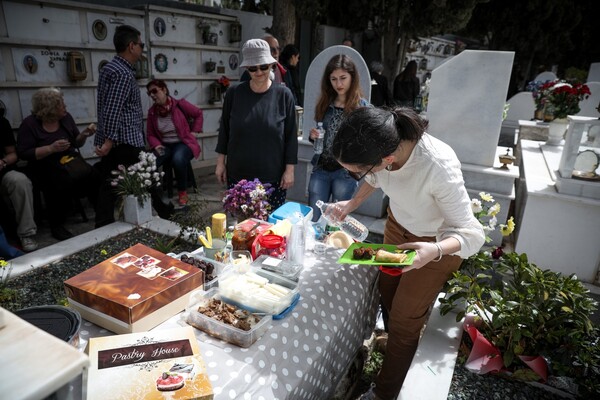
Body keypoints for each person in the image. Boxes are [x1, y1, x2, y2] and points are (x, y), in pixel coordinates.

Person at [329, 107, 485, 400]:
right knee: (387, 292)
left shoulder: (438, 165)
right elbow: (374, 179)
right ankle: (399, 347)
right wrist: (351, 203)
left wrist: (435, 250)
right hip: (397, 227)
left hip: (434, 245)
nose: (356, 176)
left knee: (404, 319)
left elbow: (473, 235)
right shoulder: (385, 140)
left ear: (387, 160)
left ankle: (384, 392)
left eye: (357, 170)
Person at [94, 25, 172, 227]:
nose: (142, 49)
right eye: (141, 44)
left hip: (118, 140)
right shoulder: (122, 73)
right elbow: (112, 108)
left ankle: (103, 223)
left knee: (109, 184)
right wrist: (109, 140)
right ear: (131, 46)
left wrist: (104, 139)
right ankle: (166, 215)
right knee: (148, 176)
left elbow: (105, 107)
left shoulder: (111, 68)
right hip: (125, 139)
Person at [215, 38, 297, 211]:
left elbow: (290, 136)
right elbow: (225, 129)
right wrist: (220, 163)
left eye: (263, 66)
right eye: (253, 68)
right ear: (246, 68)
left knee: (270, 230)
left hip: (273, 178)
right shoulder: (234, 93)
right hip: (239, 176)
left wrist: (289, 170)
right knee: (242, 228)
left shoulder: (284, 95)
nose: (259, 72)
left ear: (271, 65)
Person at [16, 88, 99, 241]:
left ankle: (100, 213)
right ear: (50, 108)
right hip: (43, 164)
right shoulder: (30, 124)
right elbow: (23, 153)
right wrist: (50, 148)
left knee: (93, 173)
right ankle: (57, 225)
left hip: (68, 160)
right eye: (61, 104)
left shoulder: (66, 119)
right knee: (58, 180)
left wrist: (84, 134)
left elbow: (76, 142)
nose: (65, 107)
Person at [307, 54, 369, 222]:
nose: (339, 84)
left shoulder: (361, 107)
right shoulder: (325, 103)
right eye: (334, 79)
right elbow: (321, 136)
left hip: (346, 172)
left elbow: (366, 142)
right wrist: (314, 136)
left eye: (343, 78)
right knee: (314, 217)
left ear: (352, 77)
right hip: (321, 167)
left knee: (336, 221)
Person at [146, 79, 203, 206]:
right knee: (150, 161)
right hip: (164, 145)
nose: (153, 95)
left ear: (164, 90)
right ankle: (152, 194)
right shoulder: (152, 112)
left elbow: (198, 114)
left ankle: (182, 192)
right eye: (150, 93)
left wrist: (194, 131)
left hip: (183, 143)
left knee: (178, 159)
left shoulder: (180, 105)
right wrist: (157, 145)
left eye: (155, 91)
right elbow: (150, 134)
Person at [0, 110, 38, 252]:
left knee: (20, 181)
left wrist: (3, 161)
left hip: (2, 174)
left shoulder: (2, 123)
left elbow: (13, 154)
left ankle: (26, 234)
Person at [239, 34, 296, 104]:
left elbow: (293, 95)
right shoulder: (249, 74)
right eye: (271, 49)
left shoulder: (285, 71)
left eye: (278, 49)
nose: (276, 52)